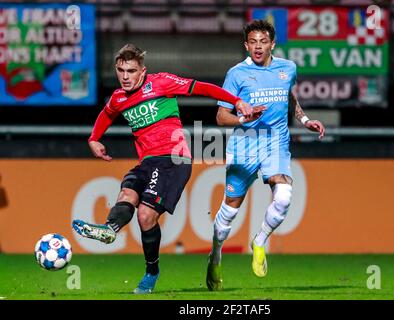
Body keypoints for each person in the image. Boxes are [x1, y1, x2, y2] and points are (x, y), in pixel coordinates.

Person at [72, 44, 264, 294]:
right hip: (147, 163)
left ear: (143, 71)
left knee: (145, 215)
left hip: (174, 160)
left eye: (131, 70)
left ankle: (151, 272)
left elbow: (202, 88)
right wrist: (94, 138)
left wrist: (236, 101)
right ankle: (110, 230)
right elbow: (107, 113)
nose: (125, 76)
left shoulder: (161, 82)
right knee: (126, 195)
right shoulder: (119, 97)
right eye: (120, 70)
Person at [206, 20, 325, 291]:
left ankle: (259, 241)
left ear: (272, 44)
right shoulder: (236, 74)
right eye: (252, 42)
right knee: (228, 215)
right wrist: (243, 117)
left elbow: (289, 97)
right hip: (244, 145)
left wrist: (305, 119)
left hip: (276, 143)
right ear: (246, 46)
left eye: (263, 41)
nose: (257, 47)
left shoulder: (288, 69)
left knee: (283, 198)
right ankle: (215, 254)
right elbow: (221, 117)